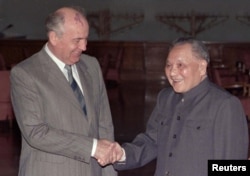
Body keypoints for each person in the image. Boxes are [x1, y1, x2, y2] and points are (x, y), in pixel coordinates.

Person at [111, 37, 249, 176]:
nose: (172, 72)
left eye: (180, 65)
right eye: (169, 65)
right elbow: (152, 141)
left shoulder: (225, 105)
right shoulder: (165, 98)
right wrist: (121, 154)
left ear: (201, 67)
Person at [10, 6, 120, 176]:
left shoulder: (91, 66)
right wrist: (92, 147)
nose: (84, 47)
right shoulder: (26, 74)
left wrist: (109, 171)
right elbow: (35, 132)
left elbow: (104, 124)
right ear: (54, 37)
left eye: (86, 39)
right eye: (77, 40)